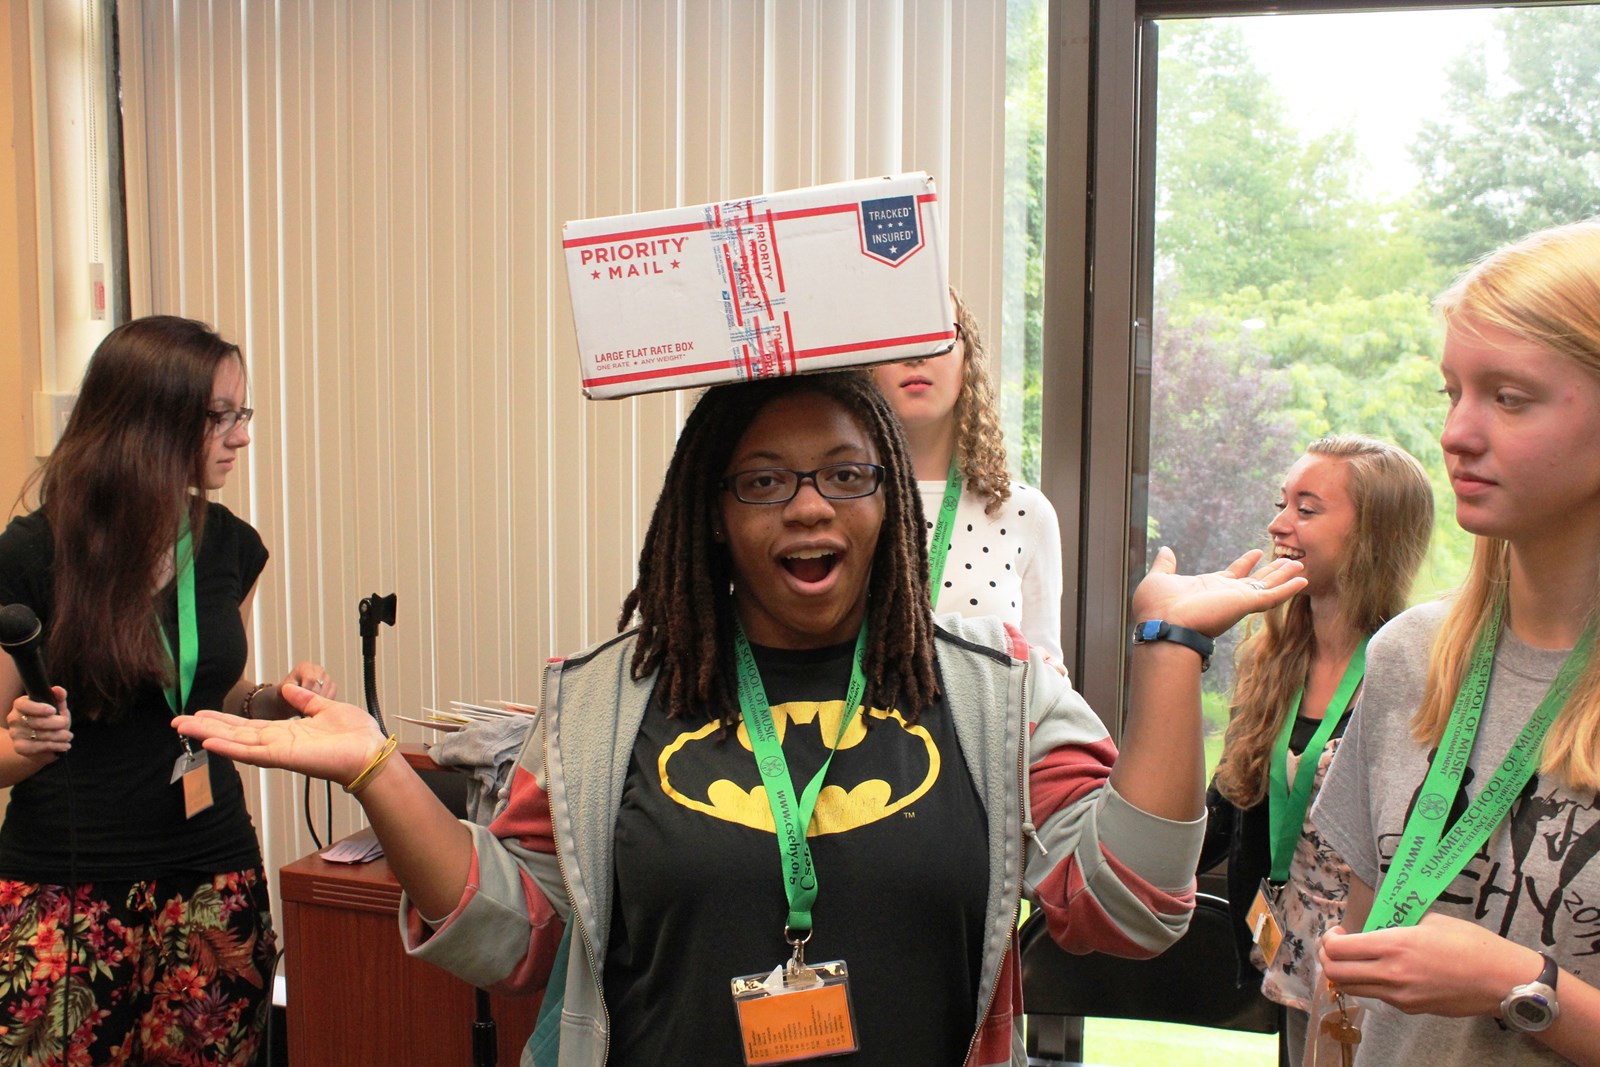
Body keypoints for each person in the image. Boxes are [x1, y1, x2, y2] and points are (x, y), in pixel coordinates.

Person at [175, 369, 1303, 1067]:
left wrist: (1170, 647)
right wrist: (378, 769)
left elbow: (1132, 903)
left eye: (846, 475)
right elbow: (514, 934)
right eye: (764, 480)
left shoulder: (992, 688)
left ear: (889, 501)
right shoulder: (605, 700)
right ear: (711, 513)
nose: (809, 505)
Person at [0, 315, 337, 1067]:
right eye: (221, 416)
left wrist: (274, 698)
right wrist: (26, 746)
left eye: (243, 413)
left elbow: (218, 693)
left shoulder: (230, 545)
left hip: (212, 877)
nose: (241, 436)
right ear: (147, 419)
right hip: (68, 892)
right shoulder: (32, 553)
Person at [1314, 219, 1600, 1066]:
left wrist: (1518, 982)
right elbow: (1353, 990)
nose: (1456, 433)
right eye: (1453, 391)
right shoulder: (1411, 656)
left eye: (1509, 397)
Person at [1198, 434, 1433, 1063]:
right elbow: (1223, 816)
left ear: (1374, 535)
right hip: (1286, 954)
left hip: (1375, 972)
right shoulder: (1272, 660)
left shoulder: (1416, 675)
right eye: (1282, 504)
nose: (1278, 524)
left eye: (1306, 509)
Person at [872, 290, 1066, 666]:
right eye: (900, 336)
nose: (917, 355)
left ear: (967, 360)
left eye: (939, 335)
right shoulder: (830, 507)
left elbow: (1050, 678)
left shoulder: (1026, 513)